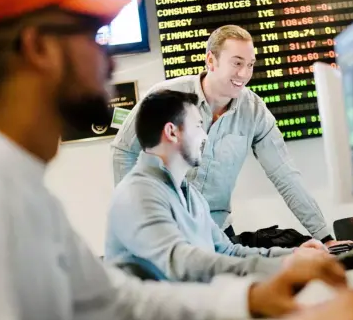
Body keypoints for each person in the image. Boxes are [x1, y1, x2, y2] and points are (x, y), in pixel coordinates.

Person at [0, 0, 348, 320]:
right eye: (93, 37)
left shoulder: (29, 194)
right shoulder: (0, 197)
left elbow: (116, 300)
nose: (111, 63)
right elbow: (174, 263)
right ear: (39, 49)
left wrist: (258, 293)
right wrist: (139, 199)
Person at [111, 24, 349, 247]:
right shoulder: (165, 97)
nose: (244, 74)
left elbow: (285, 175)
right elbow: (123, 150)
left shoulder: (254, 111)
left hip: (217, 233)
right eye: (237, 63)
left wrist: (325, 238)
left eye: (251, 64)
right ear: (211, 61)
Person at [105, 89, 329, 282]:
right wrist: (285, 267)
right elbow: (181, 264)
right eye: (198, 126)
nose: (205, 136)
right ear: (172, 132)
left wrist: (294, 255)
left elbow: (227, 251)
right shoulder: (138, 194)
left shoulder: (191, 196)